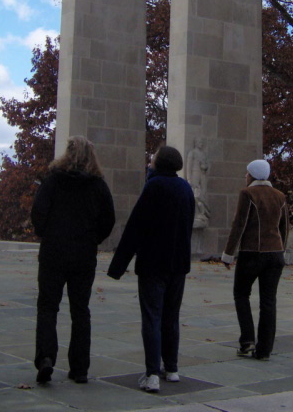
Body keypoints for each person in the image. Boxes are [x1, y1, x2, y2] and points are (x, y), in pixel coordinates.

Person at [107, 146, 195, 394]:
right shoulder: (186, 188)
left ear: (159, 163)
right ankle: (172, 368)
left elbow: (136, 226)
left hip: (154, 263)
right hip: (178, 264)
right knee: (171, 316)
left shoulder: (154, 187)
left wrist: (118, 266)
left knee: (152, 317)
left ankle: (152, 374)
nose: (150, 160)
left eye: (153, 158)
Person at [31, 135, 116, 385]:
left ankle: (46, 357)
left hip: (53, 253)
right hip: (83, 255)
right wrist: (92, 239)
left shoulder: (52, 181)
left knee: (48, 307)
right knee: (80, 311)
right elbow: (108, 220)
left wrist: (48, 234)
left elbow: (38, 214)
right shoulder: (98, 186)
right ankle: (80, 368)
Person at [221, 159, 289, 361]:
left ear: (252, 175)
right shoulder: (280, 196)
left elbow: (239, 224)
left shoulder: (247, 194)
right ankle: (265, 350)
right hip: (275, 255)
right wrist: (282, 250)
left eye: (246, 173)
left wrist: (228, 253)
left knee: (241, 294)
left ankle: (247, 340)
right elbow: (285, 227)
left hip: (252, 253)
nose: (245, 176)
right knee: (268, 301)